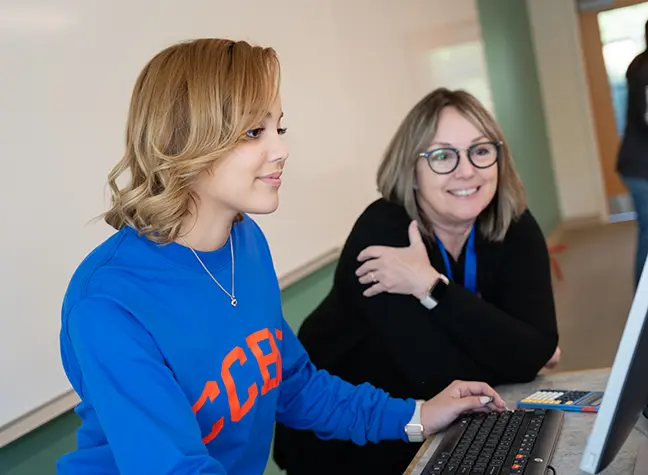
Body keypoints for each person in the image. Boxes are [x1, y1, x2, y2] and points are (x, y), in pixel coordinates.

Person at [55, 40, 507, 475]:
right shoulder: (109, 301)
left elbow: (294, 386)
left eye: (278, 127)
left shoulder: (244, 242)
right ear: (184, 141)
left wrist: (418, 415)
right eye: (254, 131)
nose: (281, 149)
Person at [273, 88, 560, 475]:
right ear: (412, 170)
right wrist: (511, 345)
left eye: (480, 150)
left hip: (434, 429)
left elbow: (535, 349)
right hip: (346, 437)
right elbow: (437, 375)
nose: (466, 170)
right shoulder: (383, 231)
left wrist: (431, 287)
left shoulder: (512, 223)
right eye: (442, 156)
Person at [617, 19, 648, 288]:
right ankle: (644, 305)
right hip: (641, 167)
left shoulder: (639, 64)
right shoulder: (645, 69)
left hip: (635, 164)